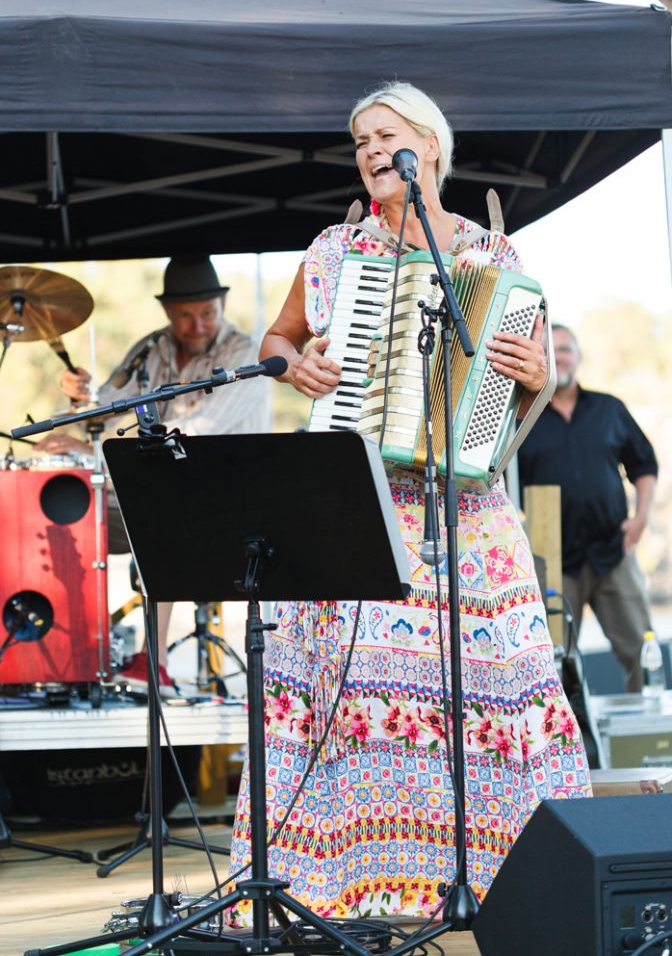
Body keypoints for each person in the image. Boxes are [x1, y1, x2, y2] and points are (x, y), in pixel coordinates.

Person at [227, 82, 590, 923]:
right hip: (354, 493)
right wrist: (296, 364)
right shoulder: (334, 250)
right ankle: (352, 880)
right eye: (358, 140)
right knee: (348, 688)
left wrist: (535, 372)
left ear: (427, 145)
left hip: (465, 508)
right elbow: (278, 339)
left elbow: (527, 373)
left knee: (497, 680)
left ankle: (507, 881)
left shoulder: (492, 255)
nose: (367, 151)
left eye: (382, 135)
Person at [36, 254, 271, 694]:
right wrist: (77, 403)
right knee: (67, 511)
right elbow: (107, 409)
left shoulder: (244, 353)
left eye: (207, 314)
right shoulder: (152, 348)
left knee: (165, 507)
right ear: (167, 311)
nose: (197, 326)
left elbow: (195, 432)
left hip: (231, 500)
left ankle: (154, 662)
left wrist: (93, 449)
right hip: (162, 489)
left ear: (221, 306)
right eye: (185, 316)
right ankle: (74, 648)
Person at [518, 324, 658, 693]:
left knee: (645, 654)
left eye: (565, 349)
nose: (559, 357)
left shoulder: (609, 408)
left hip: (614, 549)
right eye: (549, 350)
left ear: (578, 356)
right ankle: (570, 731)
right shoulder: (521, 418)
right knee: (554, 661)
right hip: (552, 561)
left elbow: (644, 465)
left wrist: (641, 518)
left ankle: (652, 726)